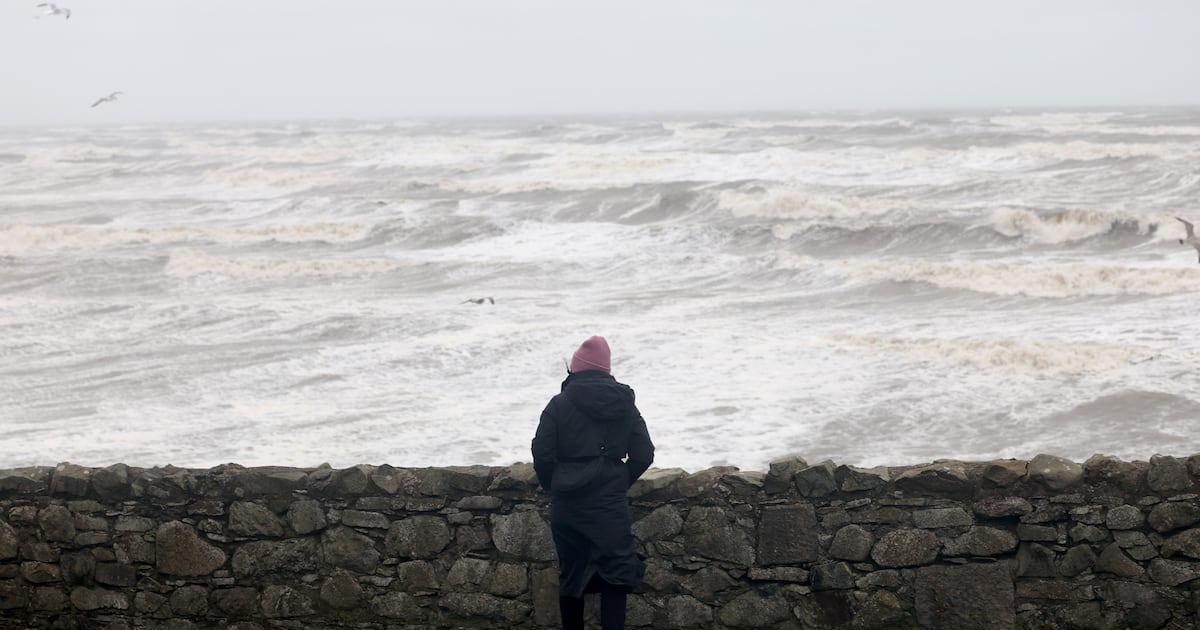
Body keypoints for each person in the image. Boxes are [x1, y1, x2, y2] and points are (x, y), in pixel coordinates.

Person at [531, 335, 655, 630]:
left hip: (568, 503)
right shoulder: (625, 404)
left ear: (576, 368)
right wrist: (619, 480)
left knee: (572, 574)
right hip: (609, 503)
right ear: (606, 369)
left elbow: (542, 453)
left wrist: (554, 484)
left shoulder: (559, 404)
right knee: (617, 573)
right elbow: (644, 453)